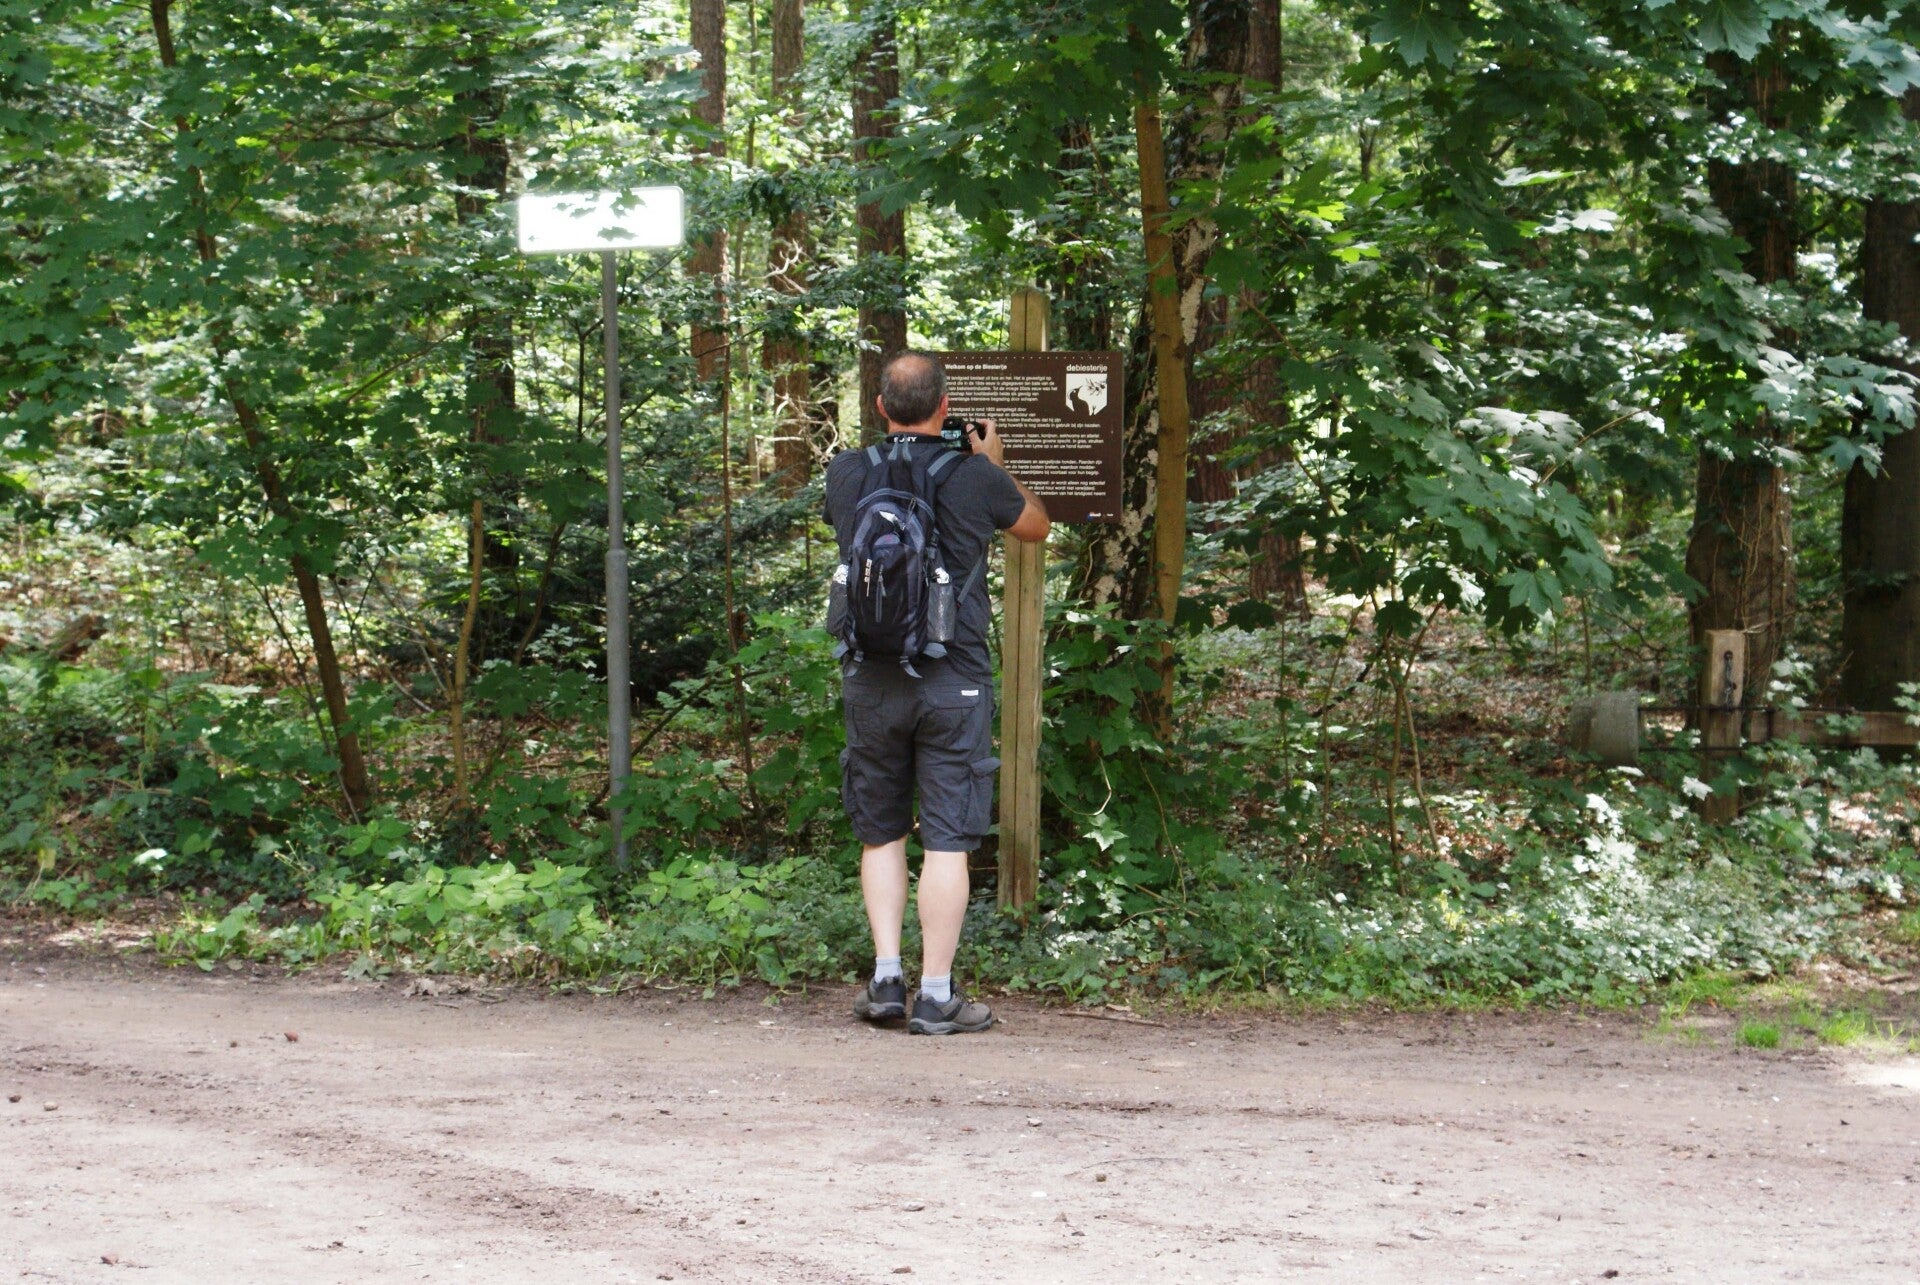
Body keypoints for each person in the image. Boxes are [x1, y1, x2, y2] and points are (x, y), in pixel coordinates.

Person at [824, 351, 1049, 1035]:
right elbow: (1035, 525)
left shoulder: (848, 471)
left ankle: (886, 980)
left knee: (881, 832)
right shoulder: (974, 474)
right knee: (948, 839)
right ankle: (936, 994)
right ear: (945, 408)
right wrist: (995, 461)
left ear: (881, 407)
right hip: (954, 679)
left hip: (871, 676)